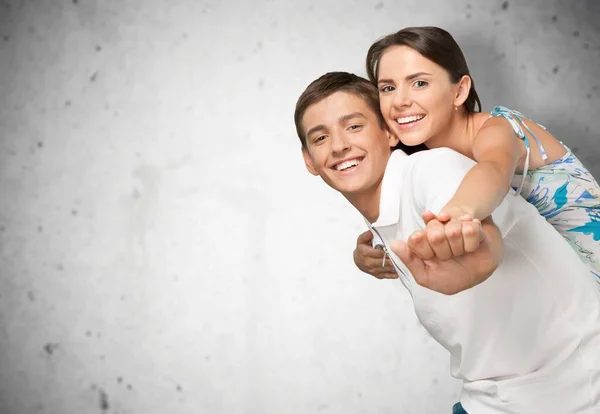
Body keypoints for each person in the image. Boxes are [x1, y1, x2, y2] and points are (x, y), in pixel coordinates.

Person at [294, 71, 600, 413]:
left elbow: (474, 225)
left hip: (573, 389)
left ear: (388, 132)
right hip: (492, 397)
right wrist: (364, 254)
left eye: (354, 126)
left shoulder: (433, 171)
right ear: (310, 160)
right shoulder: (384, 216)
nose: (338, 146)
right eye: (320, 138)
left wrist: (477, 248)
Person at [354, 26, 600, 283]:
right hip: (548, 291)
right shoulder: (422, 161)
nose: (400, 101)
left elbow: (493, 170)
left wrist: (455, 216)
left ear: (459, 91)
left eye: (419, 83)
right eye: (387, 88)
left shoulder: (499, 129)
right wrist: (371, 251)